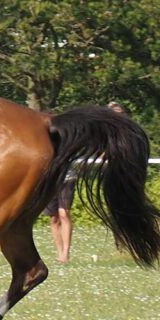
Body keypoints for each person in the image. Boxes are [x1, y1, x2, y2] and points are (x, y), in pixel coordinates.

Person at [45, 101, 130, 263]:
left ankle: (65, 254)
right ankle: (59, 253)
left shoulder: (69, 136)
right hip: (51, 178)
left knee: (64, 213)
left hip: (68, 177)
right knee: (54, 218)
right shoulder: (43, 138)